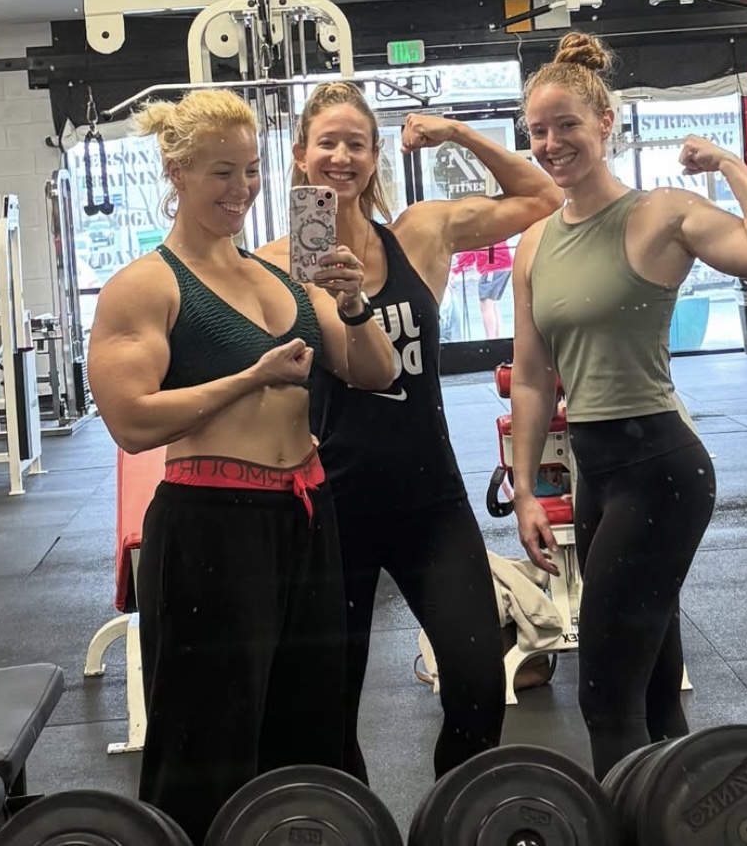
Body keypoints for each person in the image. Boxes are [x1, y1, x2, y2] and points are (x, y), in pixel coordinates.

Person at [86, 88, 396, 846]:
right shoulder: (147, 285)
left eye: (251, 170)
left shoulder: (280, 278)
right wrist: (249, 378)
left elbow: (377, 371)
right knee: (207, 737)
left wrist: (354, 303)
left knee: (315, 721)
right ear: (177, 172)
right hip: (211, 527)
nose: (242, 189)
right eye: (222, 172)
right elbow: (131, 421)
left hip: (306, 516)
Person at [509, 33, 747, 781]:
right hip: (596, 473)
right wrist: (525, 489)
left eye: (567, 125)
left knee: (606, 696)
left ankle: (632, 821)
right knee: (649, 683)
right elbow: (534, 377)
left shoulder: (662, 214)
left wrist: (730, 164)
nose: (551, 143)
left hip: (661, 469)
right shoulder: (534, 243)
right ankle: (681, 815)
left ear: (605, 123)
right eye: (538, 130)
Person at [258, 81, 562, 783]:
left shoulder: (421, 233)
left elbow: (543, 196)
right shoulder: (273, 264)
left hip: (429, 499)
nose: (341, 156)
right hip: (330, 507)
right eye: (327, 143)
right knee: (329, 703)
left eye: (356, 144)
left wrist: (456, 130)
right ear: (300, 154)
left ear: (374, 157)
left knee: (478, 678)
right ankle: (352, 822)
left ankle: (454, 816)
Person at [451, 243, 514, 338]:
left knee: (486, 303)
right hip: (502, 263)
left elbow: (472, 248)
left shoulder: (474, 235)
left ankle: (490, 338)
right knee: (492, 303)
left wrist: (456, 269)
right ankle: (496, 336)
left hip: (493, 264)